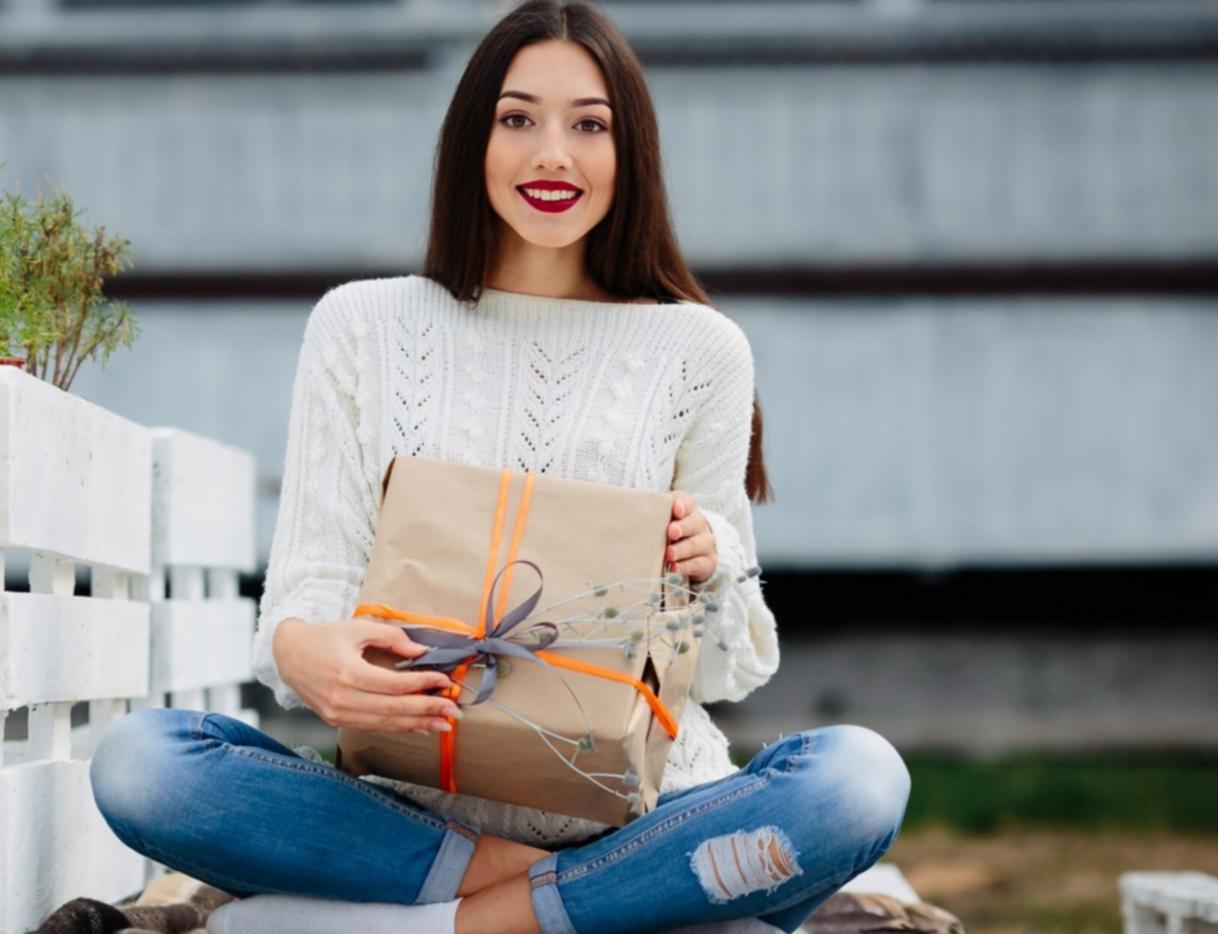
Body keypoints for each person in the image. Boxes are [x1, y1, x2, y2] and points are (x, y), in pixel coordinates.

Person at [89, 2, 910, 932]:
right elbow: (307, 590)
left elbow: (721, 673)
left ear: (628, 151)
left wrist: (714, 560)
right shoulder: (362, 327)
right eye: (517, 118)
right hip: (414, 814)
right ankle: (581, 904)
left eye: (589, 125)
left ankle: (462, 926)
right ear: (471, 142)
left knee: (857, 781)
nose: (552, 154)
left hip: (644, 813)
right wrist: (304, 653)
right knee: (141, 764)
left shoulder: (699, 350)